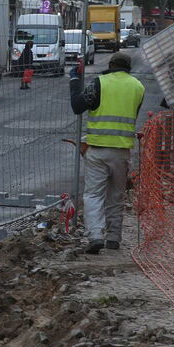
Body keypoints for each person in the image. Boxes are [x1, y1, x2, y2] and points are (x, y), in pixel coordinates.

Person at [69, 52, 145, 254]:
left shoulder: (99, 83)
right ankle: (113, 238)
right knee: (116, 195)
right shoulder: (138, 87)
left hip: (97, 149)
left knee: (94, 195)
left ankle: (95, 235)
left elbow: (78, 106)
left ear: (110, 65)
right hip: (121, 151)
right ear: (128, 67)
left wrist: (75, 81)